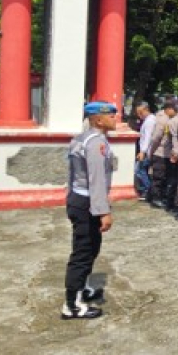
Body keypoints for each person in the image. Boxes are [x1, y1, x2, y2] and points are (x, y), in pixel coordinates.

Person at [62, 101, 119, 320]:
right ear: (98, 120)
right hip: (88, 203)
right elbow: (96, 180)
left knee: (90, 249)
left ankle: (82, 289)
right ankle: (72, 306)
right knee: (83, 254)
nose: (115, 119)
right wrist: (103, 211)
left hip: (79, 199)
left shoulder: (81, 138)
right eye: (111, 116)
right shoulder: (96, 143)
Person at [149, 98, 177, 210]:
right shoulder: (162, 120)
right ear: (168, 109)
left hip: (166, 153)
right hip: (160, 152)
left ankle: (161, 196)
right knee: (158, 177)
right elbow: (156, 138)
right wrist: (152, 151)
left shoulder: (169, 119)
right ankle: (155, 198)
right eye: (174, 109)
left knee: (165, 177)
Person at [133, 102, 155, 200]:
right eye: (138, 113)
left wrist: (143, 151)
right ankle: (147, 190)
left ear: (146, 110)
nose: (139, 115)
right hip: (145, 150)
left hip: (146, 151)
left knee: (139, 170)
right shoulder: (148, 120)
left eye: (141, 112)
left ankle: (147, 190)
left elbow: (148, 138)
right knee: (142, 170)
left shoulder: (150, 122)